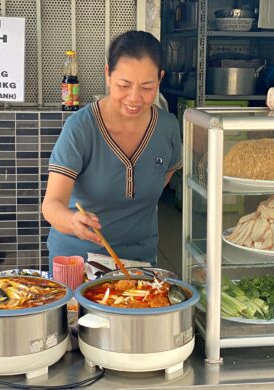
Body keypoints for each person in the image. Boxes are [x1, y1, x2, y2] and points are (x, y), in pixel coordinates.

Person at [42, 30, 182, 272]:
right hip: (78, 262)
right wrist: (72, 222)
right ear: (107, 74)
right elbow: (52, 205)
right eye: (124, 85)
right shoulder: (81, 127)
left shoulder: (168, 127)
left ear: (160, 79)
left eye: (147, 87)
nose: (135, 98)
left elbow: (164, 176)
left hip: (140, 260)